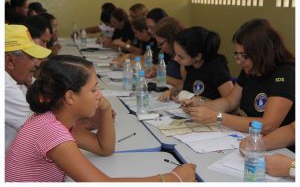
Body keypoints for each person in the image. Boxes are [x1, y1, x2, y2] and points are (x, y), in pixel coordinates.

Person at [5, 55, 196, 182]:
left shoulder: (53, 119)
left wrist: (105, 109)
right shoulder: (50, 131)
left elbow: (104, 148)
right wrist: (172, 178)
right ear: (71, 97)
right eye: (94, 89)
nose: (99, 94)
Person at [182, 19, 295, 136]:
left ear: (262, 53)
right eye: (236, 54)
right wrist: (201, 105)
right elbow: (230, 101)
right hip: (247, 136)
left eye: (244, 56)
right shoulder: (250, 70)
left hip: (274, 145)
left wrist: (217, 117)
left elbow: (267, 125)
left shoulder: (284, 75)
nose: (239, 62)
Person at [5, 24, 52, 152]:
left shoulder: (18, 79)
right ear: (10, 61)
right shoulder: (4, 86)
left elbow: (49, 94)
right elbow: (45, 130)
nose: (37, 63)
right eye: (32, 57)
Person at [159, 26, 233, 102]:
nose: (175, 59)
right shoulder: (189, 64)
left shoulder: (217, 67)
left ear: (198, 56)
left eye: (181, 57)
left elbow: (231, 105)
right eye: (176, 54)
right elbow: (187, 86)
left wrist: (198, 100)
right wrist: (171, 91)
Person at [150, 17, 185, 86]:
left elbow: (187, 85)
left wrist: (165, 78)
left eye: (161, 44)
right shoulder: (171, 52)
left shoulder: (185, 54)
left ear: (171, 39)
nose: (161, 48)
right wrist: (157, 72)